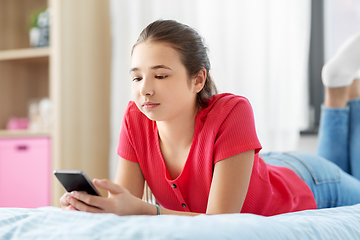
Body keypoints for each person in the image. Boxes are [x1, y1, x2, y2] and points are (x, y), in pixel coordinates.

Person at [60, 20, 360, 216]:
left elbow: (220, 223)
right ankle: (342, 92)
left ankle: (336, 94)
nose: (145, 90)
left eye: (160, 75)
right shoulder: (134, 118)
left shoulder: (233, 111)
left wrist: (146, 211)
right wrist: (96, 206)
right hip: (255, 166)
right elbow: (126, 203)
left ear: (198, 80)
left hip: (309, 179)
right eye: (137, 78)